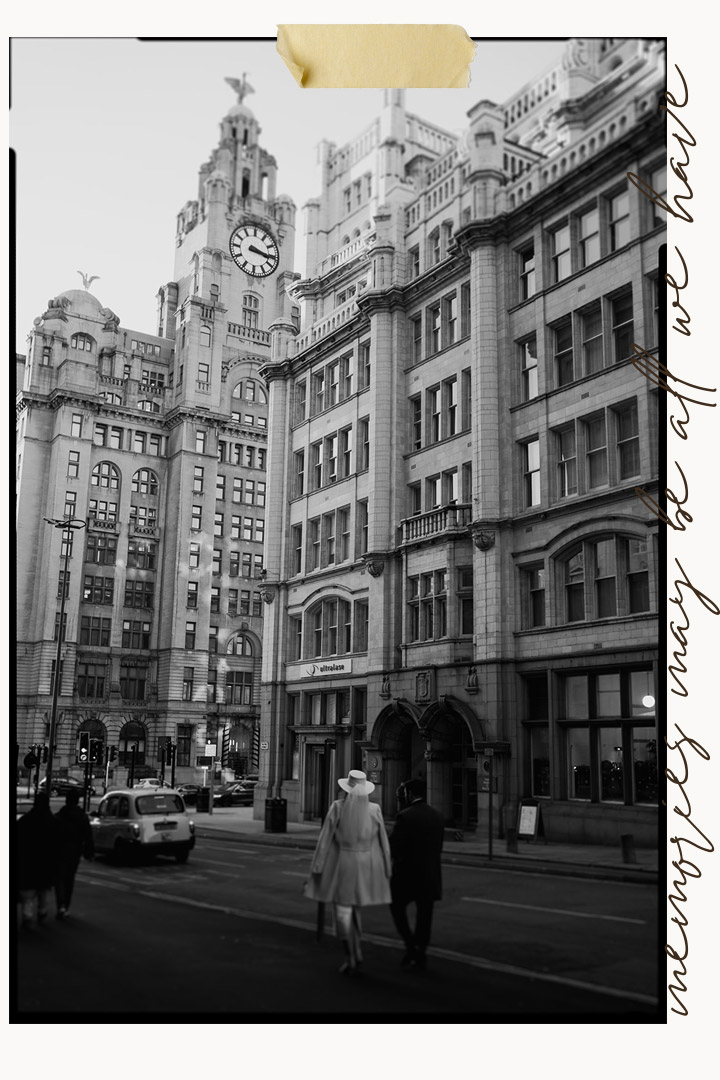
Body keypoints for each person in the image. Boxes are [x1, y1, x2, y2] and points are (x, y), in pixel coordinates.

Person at [304, 770, 391, 976]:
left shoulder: (337, 807)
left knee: (343, 914)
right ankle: (357, 950)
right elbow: (384, 843)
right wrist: (387, 868)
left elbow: (325, 840)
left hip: (343, 864)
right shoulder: (374, 809)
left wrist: (317, 868)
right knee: (356, 911)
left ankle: (350, 955)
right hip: (366, 865)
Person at [389, 777, 445, 971]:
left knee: (396, 907)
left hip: (407, 875)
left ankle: (410, 945)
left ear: (409, 794)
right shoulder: (437, 816)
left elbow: (394, 848)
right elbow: (439, 847)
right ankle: (420, 951)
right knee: (425, 915)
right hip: (430, 874)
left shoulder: (405, 816)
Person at [17, 792, 58, 930]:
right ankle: (42, 911)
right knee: (44, 889)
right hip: (46, 861)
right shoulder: (52, 821)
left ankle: (27, 916)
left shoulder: (25, 820)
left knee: (28, 892)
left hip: (28, 861)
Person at [54, 788, 94, 919]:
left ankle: (61, 905)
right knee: (69, 879)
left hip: (60, 851)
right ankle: (65, 905)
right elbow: (88, 835)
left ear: (66, 800)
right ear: (77, 801)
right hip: (74, 851)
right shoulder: (82, 816)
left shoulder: (61, 814)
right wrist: (89, 852)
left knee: (59, 878)